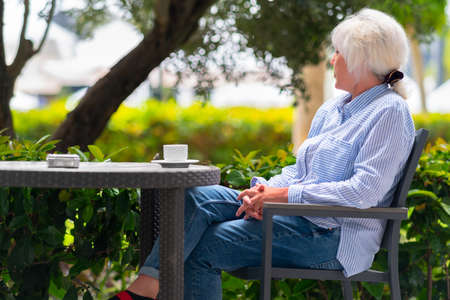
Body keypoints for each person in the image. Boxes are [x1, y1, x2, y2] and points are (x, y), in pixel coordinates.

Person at [110, 8, 415, 300]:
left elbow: (363, 192)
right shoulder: (332, 110)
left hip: (332, 236)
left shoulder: (390, 112)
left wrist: (281, 197)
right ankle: (145, 288)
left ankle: (140, 294)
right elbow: (300, 172)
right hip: (296, 218)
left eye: (338, 53)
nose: (331, 60)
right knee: (191, 197)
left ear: (359, 61)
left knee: (203, 247)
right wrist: (262, 191)